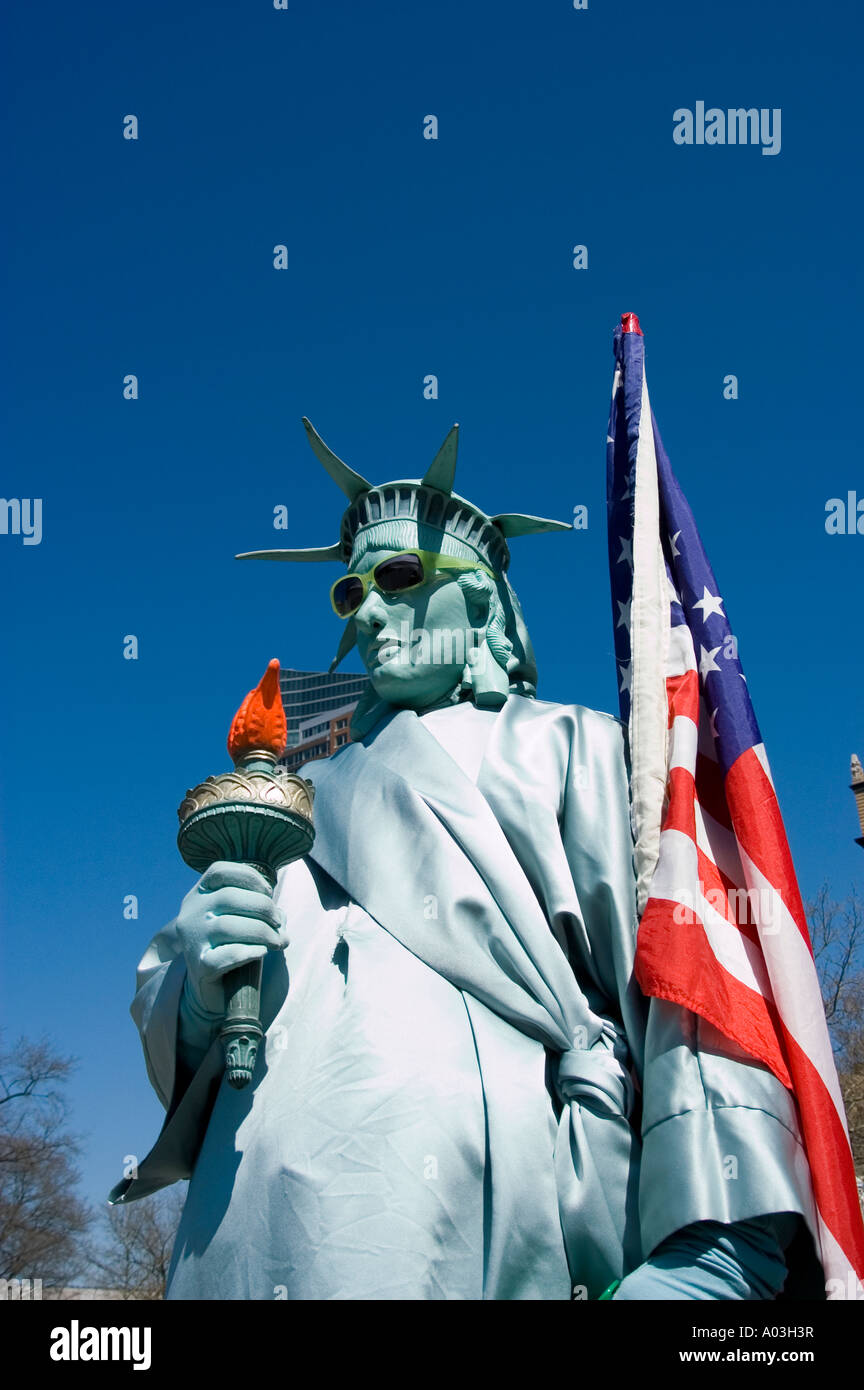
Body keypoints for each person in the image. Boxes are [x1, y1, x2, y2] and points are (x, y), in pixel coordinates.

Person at [112, 420, 821, 1300]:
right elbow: (194, 1044)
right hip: (237, 1238)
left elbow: (692, 985)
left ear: (481, 601)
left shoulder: (575, 748)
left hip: (477, 1236)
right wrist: (192, 988)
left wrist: (716, 1247)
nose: (368, 610)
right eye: (348, 593)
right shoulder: (294, 794)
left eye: (398, 578)